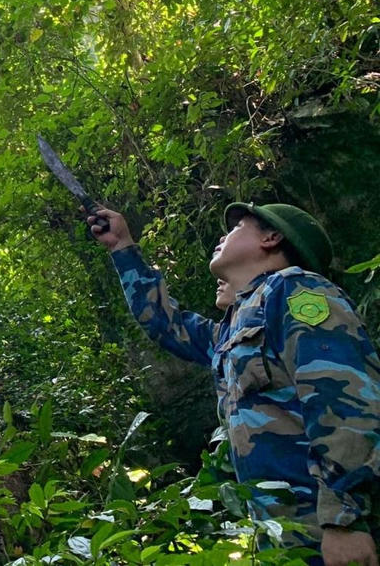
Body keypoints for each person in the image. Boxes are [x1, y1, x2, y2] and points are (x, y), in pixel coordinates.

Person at [89, 202, 380, 566]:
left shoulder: (296, 291)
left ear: (271, 238)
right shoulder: (232, 329)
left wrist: (345, 520)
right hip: (283, 536)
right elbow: (166, 324)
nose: (222, 237)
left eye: (237, 227)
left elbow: (345, 399)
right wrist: (122, 247)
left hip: (327, 526)